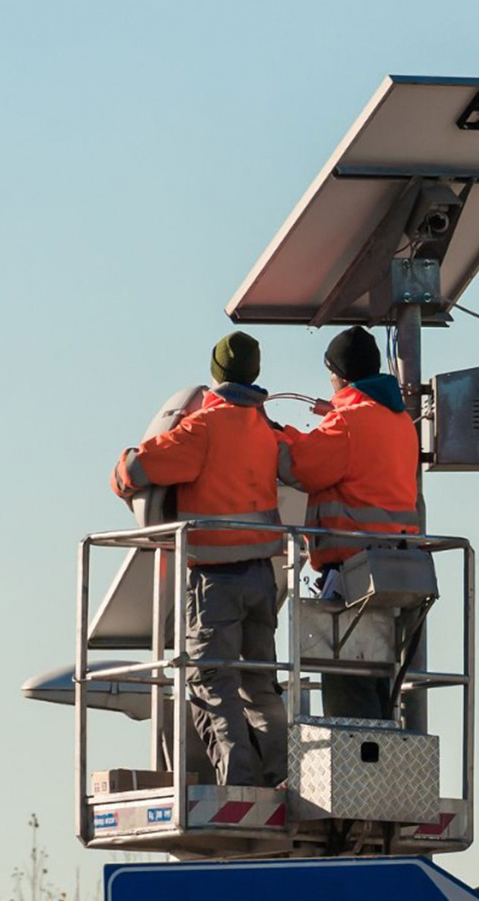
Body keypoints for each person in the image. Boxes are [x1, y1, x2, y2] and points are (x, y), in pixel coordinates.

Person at [112, 331, 288, 787]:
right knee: (259, 686)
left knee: (211, 681)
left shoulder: (203, 430)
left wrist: (122, 467)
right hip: (262, 576)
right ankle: (280, 777)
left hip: (216, 580)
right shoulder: (266, 430)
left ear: (217, 372)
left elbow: (137, 471)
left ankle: (239, 783)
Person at [280, 326, 423, 720]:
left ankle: (355, 779)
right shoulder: (398, 422)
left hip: (353, 579)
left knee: (348, 694)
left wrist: (276, 436)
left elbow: (300, 467)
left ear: (339, 375)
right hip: (395, 573)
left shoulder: (348, 422)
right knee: (380, 689)